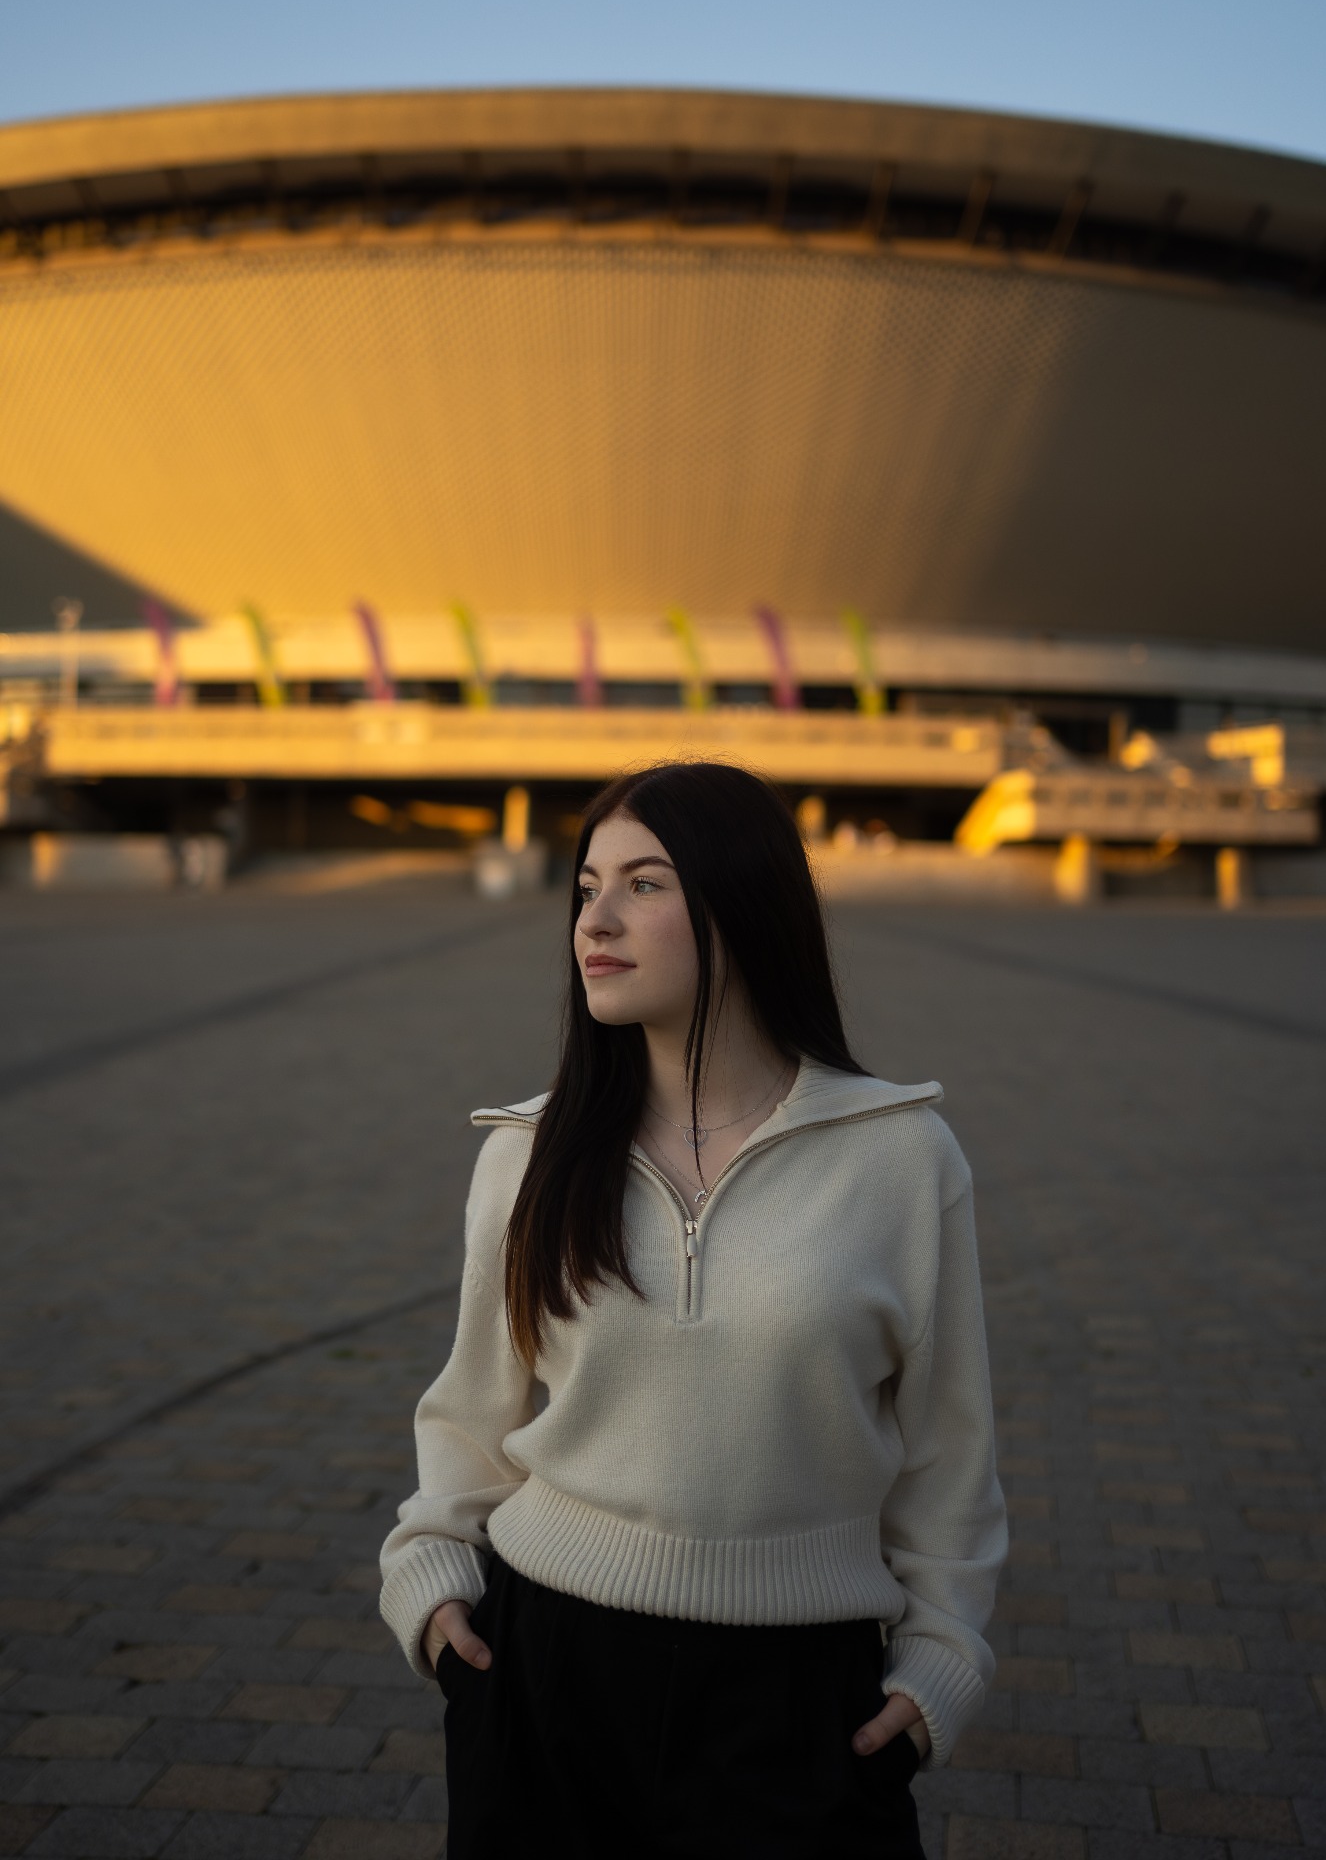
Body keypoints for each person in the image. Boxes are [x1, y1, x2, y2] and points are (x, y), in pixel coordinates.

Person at [380, 761, 1007, 1858]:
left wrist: (940, 1661)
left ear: (742, 902)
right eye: (586, 887)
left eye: (644, 883)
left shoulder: (901, 1156)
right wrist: (431, 1591)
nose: (595, 920)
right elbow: (469, 1411)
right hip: (541, 1674)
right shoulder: (527, 1153)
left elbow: (948, 1452)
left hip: (799, 1696)